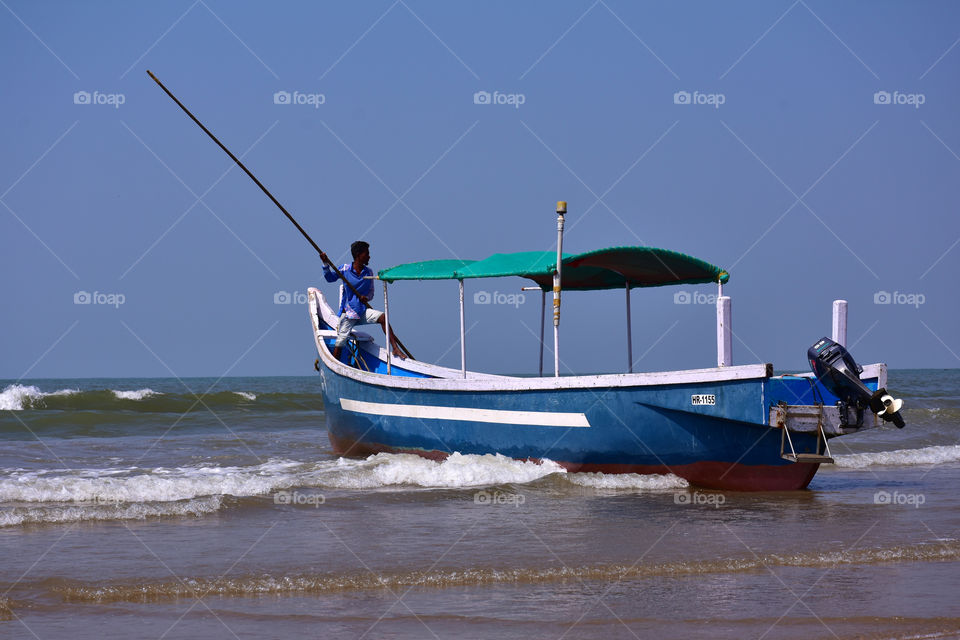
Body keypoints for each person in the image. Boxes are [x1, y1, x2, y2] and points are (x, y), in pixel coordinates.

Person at [319, 241, 404, 362]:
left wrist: (366, 298)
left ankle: (395, 348)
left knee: (383, 318)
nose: (369, 256)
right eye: (367, 253)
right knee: (340, 341)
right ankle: (334, 364)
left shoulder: (368, 272)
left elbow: (371, 293)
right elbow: (329, 278)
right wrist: (325, 263)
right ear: (358, 255)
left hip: (362, 312)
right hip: (348, 314)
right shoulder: (345, 269)